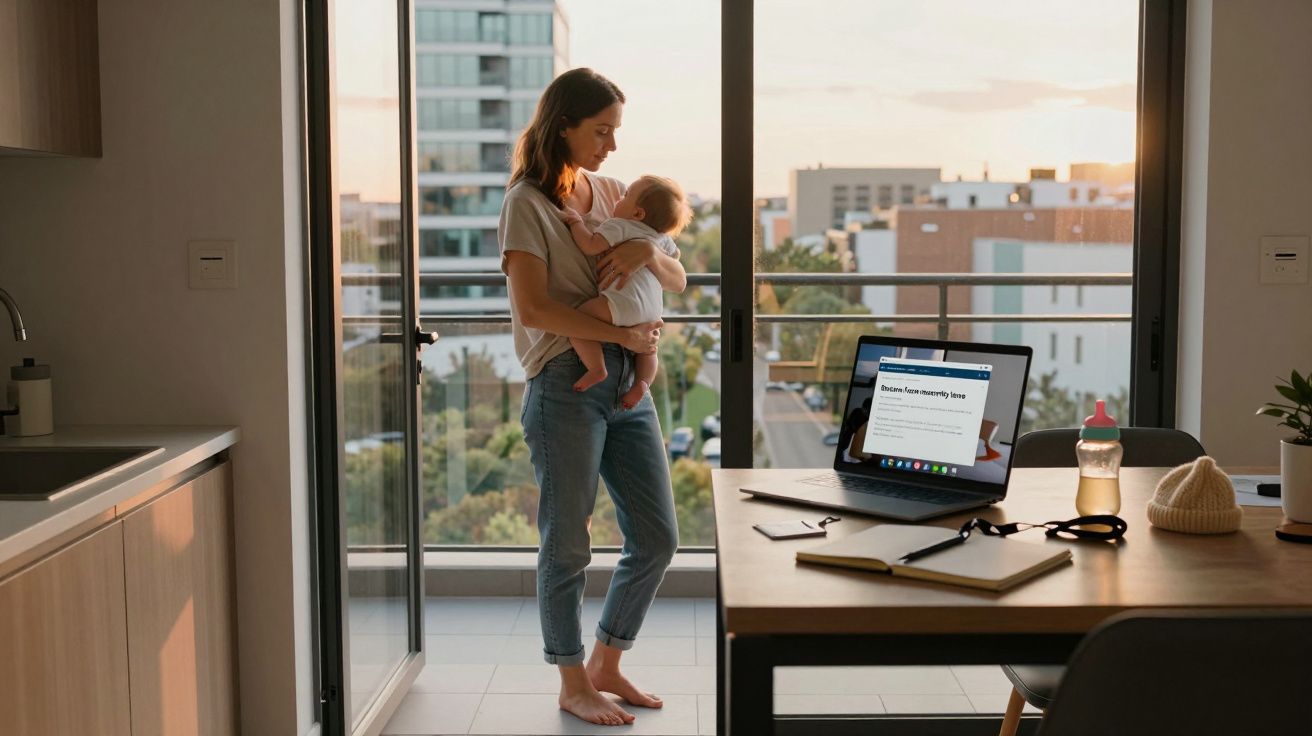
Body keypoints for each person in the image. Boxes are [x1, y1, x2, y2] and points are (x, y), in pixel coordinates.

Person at [497, 67, 687, 727]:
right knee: (568, 541)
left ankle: (608, 661)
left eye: (615, 132)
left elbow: (675, 269)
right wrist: (621, 328)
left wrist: (646, 261)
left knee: (658, 534)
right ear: (565, 125)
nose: (610, 145)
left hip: (626, 373)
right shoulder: (527, 202)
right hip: (564, 384)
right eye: (600, 130)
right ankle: (572, 680)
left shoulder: (611, 192)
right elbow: (535, 305)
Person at [557, 174, 693, 408]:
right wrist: (652, 249)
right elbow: (676, 261)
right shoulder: (662, 239)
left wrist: (576, 223)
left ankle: (597, 369)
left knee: (578, 323)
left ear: (638, 214)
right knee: (649, 350)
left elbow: (590, 245)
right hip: (652, 311)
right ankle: (642, 384)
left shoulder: (619, 225)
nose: (619, 198)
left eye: (626, 195)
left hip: (621, 301)